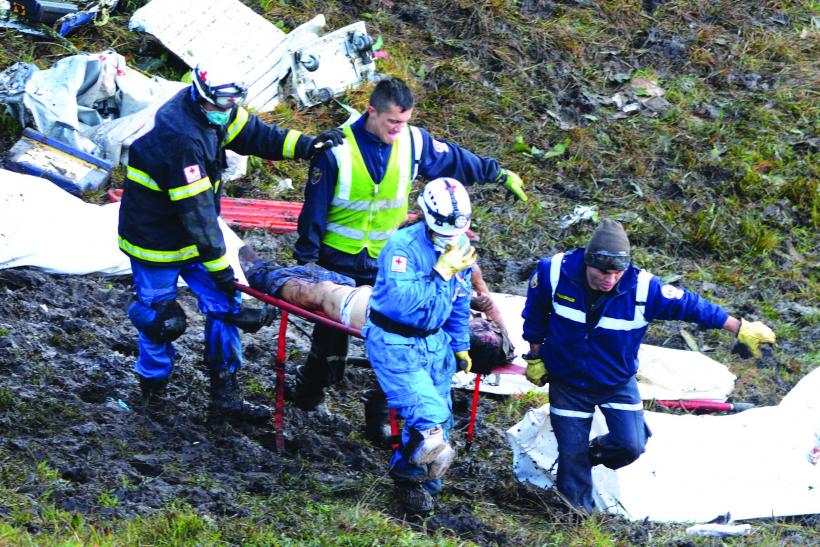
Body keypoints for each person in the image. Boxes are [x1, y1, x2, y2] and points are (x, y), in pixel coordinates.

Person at [290, 76, 527, 442]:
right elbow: (314, 209)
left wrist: (495, 172)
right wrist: (307, 260)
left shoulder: (413, 142)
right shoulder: (336, 148)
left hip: (389, 258)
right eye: (392, 123)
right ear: (372, 111)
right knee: (331, 337)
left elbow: (454, 161)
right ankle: (309, 394)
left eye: (404, 122)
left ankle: (380, 413)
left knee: (399, 337)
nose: (398, 130)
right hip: (337, 257)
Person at [117, 63, 344, 424]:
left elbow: (254, 133)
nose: (226, 113)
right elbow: (198, 215)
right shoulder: (181, 138)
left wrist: (305, 145)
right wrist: (221, 267)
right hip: (154, 238)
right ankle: (152, 389)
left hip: (194, 232)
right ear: (201, 95)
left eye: (230, 106)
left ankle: (225, 394)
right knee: (161, 318)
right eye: (221, 106)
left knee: (226, 306)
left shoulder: (215, 112)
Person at [521, 218, 777, 514]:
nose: (610, 279)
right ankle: (577, 518)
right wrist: (535, 355)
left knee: (630, 444)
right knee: (570, 452)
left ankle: (586, 455)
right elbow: (536, 313)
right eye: (603, 272)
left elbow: (693, 306)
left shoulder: (644, 288)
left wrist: (739, 326)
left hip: (615, 382)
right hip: (567, 379)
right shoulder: (554, 272)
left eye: (617, 273)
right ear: (587, 262)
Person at [362, 177, 476, 514]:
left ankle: (425, 479)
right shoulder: (402, 248)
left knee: (443, 419)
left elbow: (460, 297)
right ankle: (407, 481)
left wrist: (459, 344)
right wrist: (439, 273)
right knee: (429, 417)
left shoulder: (460, 246)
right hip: (395, 340)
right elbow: (400, 302)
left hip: (434, 343)